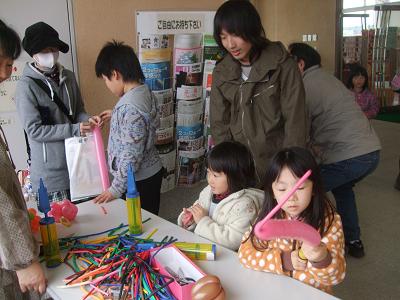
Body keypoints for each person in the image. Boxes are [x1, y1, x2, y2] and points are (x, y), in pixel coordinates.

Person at [288, 43, 381, 258]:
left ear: (300, 64)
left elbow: (300, 131)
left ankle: (301, 246)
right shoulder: (329, 79)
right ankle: (353, 240)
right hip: (371, 152)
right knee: (343, 189)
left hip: (350, 156)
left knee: (302, 194)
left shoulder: (305, 86)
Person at [210, 0, 307, 187]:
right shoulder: (222, 72)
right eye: (223, 37)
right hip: (241, 164)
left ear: (252, 29)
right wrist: (228, 165)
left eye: (236, 34)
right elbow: (219, 123)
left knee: (280, 213)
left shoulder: (282, 66)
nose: (230, 44)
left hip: (276, 160)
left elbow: (296, 120)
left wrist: (290, 166)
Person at [239, 147, 346, 294]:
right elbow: (245, 254)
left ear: (314, 188)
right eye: (282, 189)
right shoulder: (270, 216)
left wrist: (321, 258)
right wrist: (284, 260)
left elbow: (336, 278)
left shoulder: (330, 222)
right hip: (275, 291)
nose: (291, 197)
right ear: (273, 192)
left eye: (300, 188)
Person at [15, 22, 101, 202]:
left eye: (54, 49)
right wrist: (75, 129)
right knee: (59, 228)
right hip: (50, 176)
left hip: (79, 166)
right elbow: (34, 130)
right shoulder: (26, 86)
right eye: (45, 50)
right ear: (34, 53)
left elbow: (78, 110)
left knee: (89, 224)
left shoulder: (68, 76)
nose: (51, 54)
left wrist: (88, 121)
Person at [0, 19, 47, 300]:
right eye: (4, 63)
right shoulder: (29, 85)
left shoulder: (66, 77)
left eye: (9, 64)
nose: (7, 73)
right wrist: (24, 260)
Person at [94, 41, 163, 215]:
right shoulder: (144, 92)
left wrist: (115, 189)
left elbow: (130, 157)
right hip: (150, 173)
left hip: (137, 181)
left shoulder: (130, 109)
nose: (107, 85)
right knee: (150, 218)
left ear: (115, 74)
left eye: (105, 80)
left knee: (139, 226)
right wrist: (117, 115)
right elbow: (143, 121)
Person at [177, 141, 264, 250]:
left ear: (236, 176)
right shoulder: (209, 191)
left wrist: (202, 221)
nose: (210, 180)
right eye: (208, 172)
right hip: (204, 247)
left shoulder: (245, 205)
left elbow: (233, 241)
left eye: (215, 175)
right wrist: (191, 218)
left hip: (226, 258)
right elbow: (198, 208)